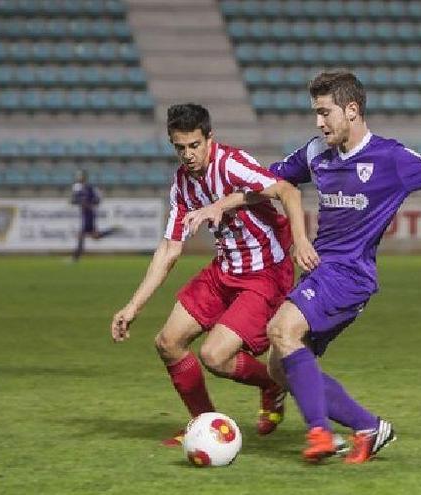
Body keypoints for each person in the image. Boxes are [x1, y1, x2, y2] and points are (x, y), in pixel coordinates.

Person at [185, 71, 421, 464]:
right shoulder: (317, 153)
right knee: (283, 371)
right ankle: (370, 427)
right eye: (315, 113)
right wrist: (220, 204)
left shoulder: (391, 158)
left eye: (324, 112)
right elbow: (265, 183)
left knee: (281, 329)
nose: (318, 122)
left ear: (352, 110)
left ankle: (320, 434)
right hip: (321, 273)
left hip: (349, 275)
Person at [109, 103, 318, 447]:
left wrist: (299, 241)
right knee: (168, 342)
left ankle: (271, 384)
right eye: (180, 147)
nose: (188, 155)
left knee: (214, 356)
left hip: (265, 273)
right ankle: (204, 424)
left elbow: (288, 191)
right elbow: (169, 250)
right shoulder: (182, 186)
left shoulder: (231, 163)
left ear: (209, 139)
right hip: (224, 270)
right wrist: (132, 307)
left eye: (194, 145)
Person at [70, 170, 119, 261]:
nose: (79, 178)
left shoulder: (90, 188)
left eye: (80, 177)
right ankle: (112, 230)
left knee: (83, 235)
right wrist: (79, 201)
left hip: (89, 214)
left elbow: (97, 200)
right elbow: (73, 200)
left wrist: (88, 204)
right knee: (95, 236)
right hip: (85, 214)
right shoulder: (78, 188)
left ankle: (75, 258)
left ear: (84, 177)